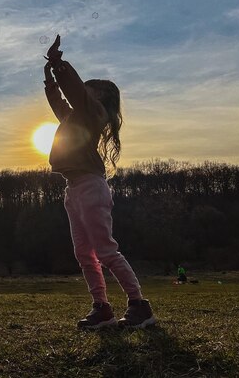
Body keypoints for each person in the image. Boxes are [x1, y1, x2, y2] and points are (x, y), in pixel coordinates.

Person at [43, 35, 155, 330]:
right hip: (74, 190)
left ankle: (139, 305)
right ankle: (102, 308)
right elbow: (60, 102)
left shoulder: (94, 114)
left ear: (99, 99)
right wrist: (50, 81)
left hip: (91, 188)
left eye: (87, 91)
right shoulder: (75, 119)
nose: (81, 95)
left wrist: (58, 65)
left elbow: (75, 93)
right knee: (84, 254)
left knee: (105, 251)